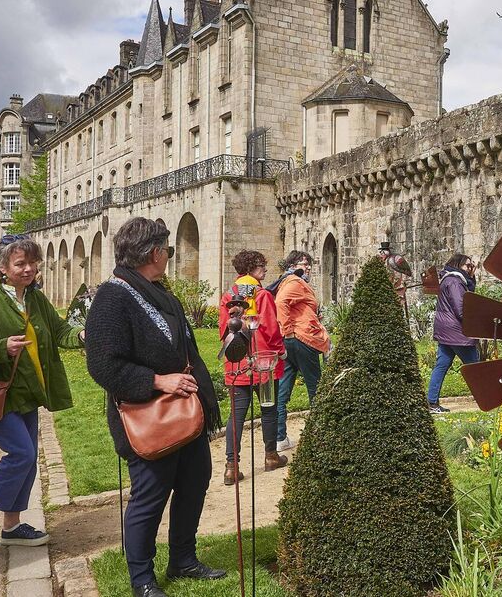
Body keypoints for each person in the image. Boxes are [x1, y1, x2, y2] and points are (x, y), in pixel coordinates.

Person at [85, 217, 225, 597]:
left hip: (184, 412)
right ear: (155, 253)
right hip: (148, 415)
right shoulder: (113, 297)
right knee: (150, 495)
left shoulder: (157, 291)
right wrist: (156, 381)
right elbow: (103, 363)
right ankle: (142, 580)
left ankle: (183, 559)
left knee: (194, 483)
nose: (169, 256)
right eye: (168, 249)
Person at [0, 235, 84, 553]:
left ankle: (12, 525)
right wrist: (2, 348)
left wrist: (82, 333)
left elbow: (59, 329)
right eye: (20, 263)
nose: (28, 269)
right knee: (21, 455)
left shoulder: (35, 299)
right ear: (2, 267)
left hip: (28, 392)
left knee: (29, 461)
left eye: (32, 263)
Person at [219, 250, 288, 485]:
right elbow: (270, 328)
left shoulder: (228, 295)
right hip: (264, 361)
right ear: (249, 269)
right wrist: (281, 350)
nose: (265, 270)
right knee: (268, 408)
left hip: (237, 362)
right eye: (261, 266)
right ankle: (270, 456)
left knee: (236, 415)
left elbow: (223, 332)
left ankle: (231, 467)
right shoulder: (261, 294)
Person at [273, 251, 329, 452]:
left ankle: (280, 437)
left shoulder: (289, 282)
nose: (308, 267)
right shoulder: (294, 281)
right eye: (304, 264)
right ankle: (319, 434)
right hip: (302, 339)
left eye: (309, 264)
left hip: (293, 340)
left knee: (284, 389)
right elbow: (281, 304)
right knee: (315, 386)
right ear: (293, 265)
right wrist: (287, 330)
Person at [427, 254, 479, 414]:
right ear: (458, 265)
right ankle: (493, 397)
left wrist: (472, 276)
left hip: (446, 332)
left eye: (471, 266)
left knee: (441, 366)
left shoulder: (450, 280)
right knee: (477, 367)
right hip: (457, 332)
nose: (470, 268)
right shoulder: (455, 282)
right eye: (468, 266)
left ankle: (432, 402)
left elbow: (469, 293)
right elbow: (462, 308)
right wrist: (476, 322)